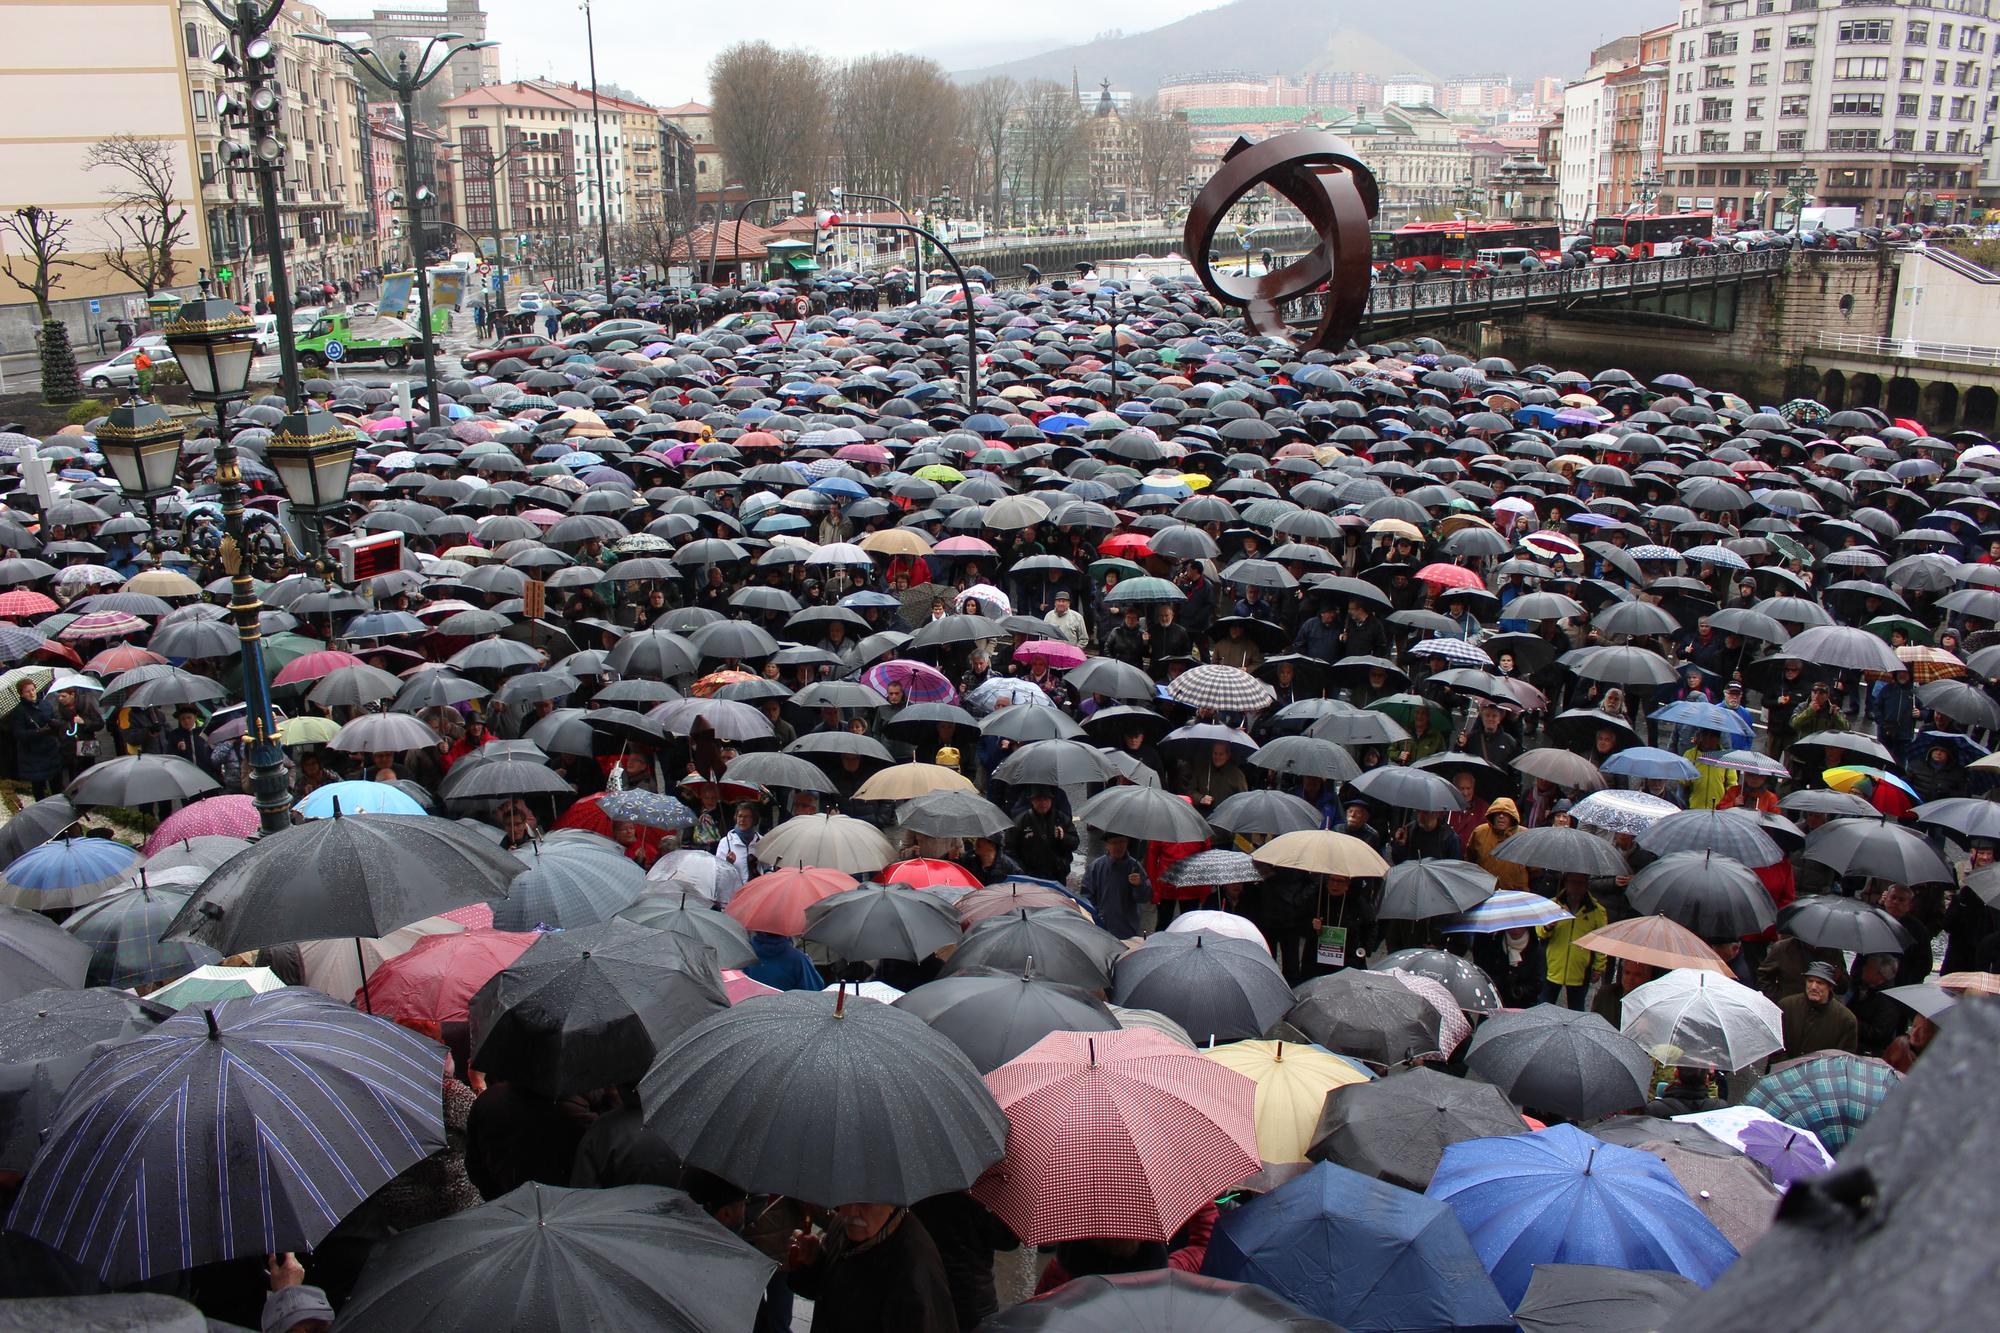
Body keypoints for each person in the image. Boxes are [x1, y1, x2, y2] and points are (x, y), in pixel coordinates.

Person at [786, 1202, 957, 1333]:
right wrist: (813, 1261)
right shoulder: (845, 1227)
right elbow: (830, 1293)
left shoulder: (915, 1268)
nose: (851, 1212)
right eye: (848, 1197)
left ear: (892, 1203)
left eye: (865, 1203)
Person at [1537, 873, 1608, 1009]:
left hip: (1580, 971)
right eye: (1573, 882)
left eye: (1581, 883)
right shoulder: (1552, 905)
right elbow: (1539, 932)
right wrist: (1548, 926)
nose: (1576, 887)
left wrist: (1599, 967)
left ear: (1587, 885)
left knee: (1576, 1009)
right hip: (1552, 968)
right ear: (1565, 883)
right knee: (1543, 1007)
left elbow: (1601, 941)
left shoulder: (1596, 911)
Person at [1779, 961, 1858, 1057]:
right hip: (1784, 1068)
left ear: (1830, 986)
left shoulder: (1846, 1019)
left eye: (1820, 983)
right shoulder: (1786, 1006)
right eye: (1810, 981)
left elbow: (1845, 1058)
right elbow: (1776, 1045)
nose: (1813, 987)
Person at [1082, 833, 1149, 939]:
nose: (1118, 846)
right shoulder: (1096, 867)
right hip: (1101, 927)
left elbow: (1144, 897)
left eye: (1122, 842)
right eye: (1114, 843)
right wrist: (1096, 916)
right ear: (1107, 845)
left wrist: (1139, 885)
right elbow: (1086, 897)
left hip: (1127, 930)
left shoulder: (1135, 867)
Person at [1008, 788, 1079, 882]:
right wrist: (1022, 871)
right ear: (1032, 801)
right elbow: (1009, 849)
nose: (1042, 803)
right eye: (1038, 800)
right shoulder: (1021, 821)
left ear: (1051, 801)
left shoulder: (1061, 818)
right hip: (1030, 878)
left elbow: (1075, 843)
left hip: (1057, 875)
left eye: (1046, 799)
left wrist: (1063, 837)